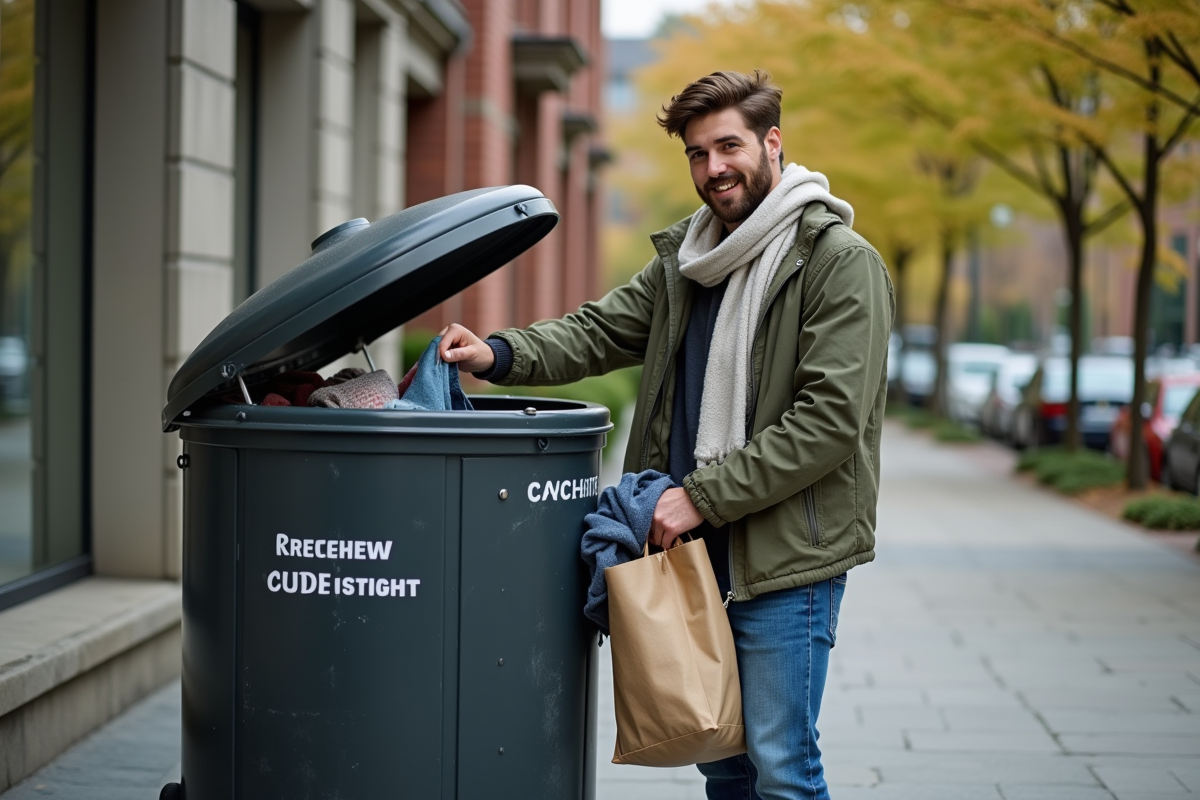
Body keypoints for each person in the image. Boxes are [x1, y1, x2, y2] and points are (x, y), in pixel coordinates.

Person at [438, 70, 894, 800]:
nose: (714, 168)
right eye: (697, 153)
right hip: (690, 552)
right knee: (720, 755)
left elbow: (828, 424)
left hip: (784, 560)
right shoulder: (687, 261)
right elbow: (598, 330)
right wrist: (499, 353)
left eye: (729, 146)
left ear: (772, 143)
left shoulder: (839, 264)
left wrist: (701, 498)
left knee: (780, 764)